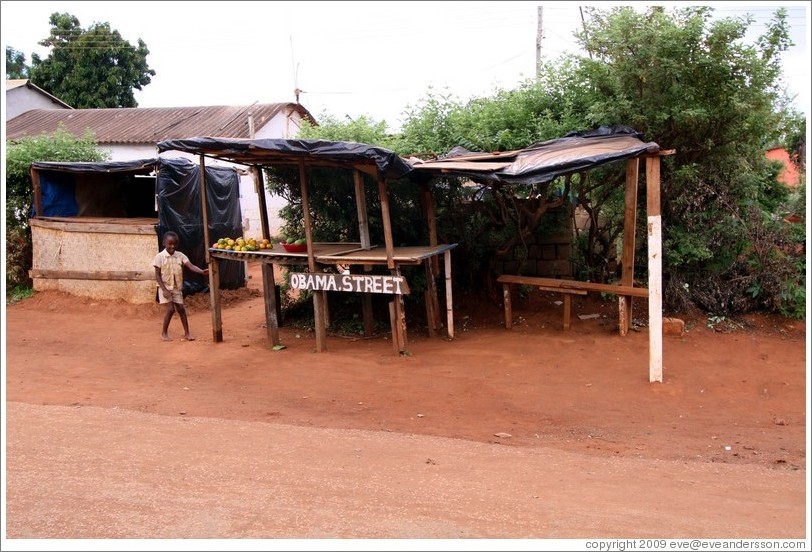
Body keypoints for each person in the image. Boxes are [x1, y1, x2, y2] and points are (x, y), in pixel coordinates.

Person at [153, 231, 209, 341]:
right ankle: (164, 333)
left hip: (176, 288)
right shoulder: (159, 257)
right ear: (164, 243)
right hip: (165, 287)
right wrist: (164, 289)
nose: (172, 246)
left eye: (175, 244)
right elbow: (157, 275)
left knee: (181, 309)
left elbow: (191, 266)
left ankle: (187, 333)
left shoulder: (180, 256)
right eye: (170, 244)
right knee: (170, 309)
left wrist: (201, 272)